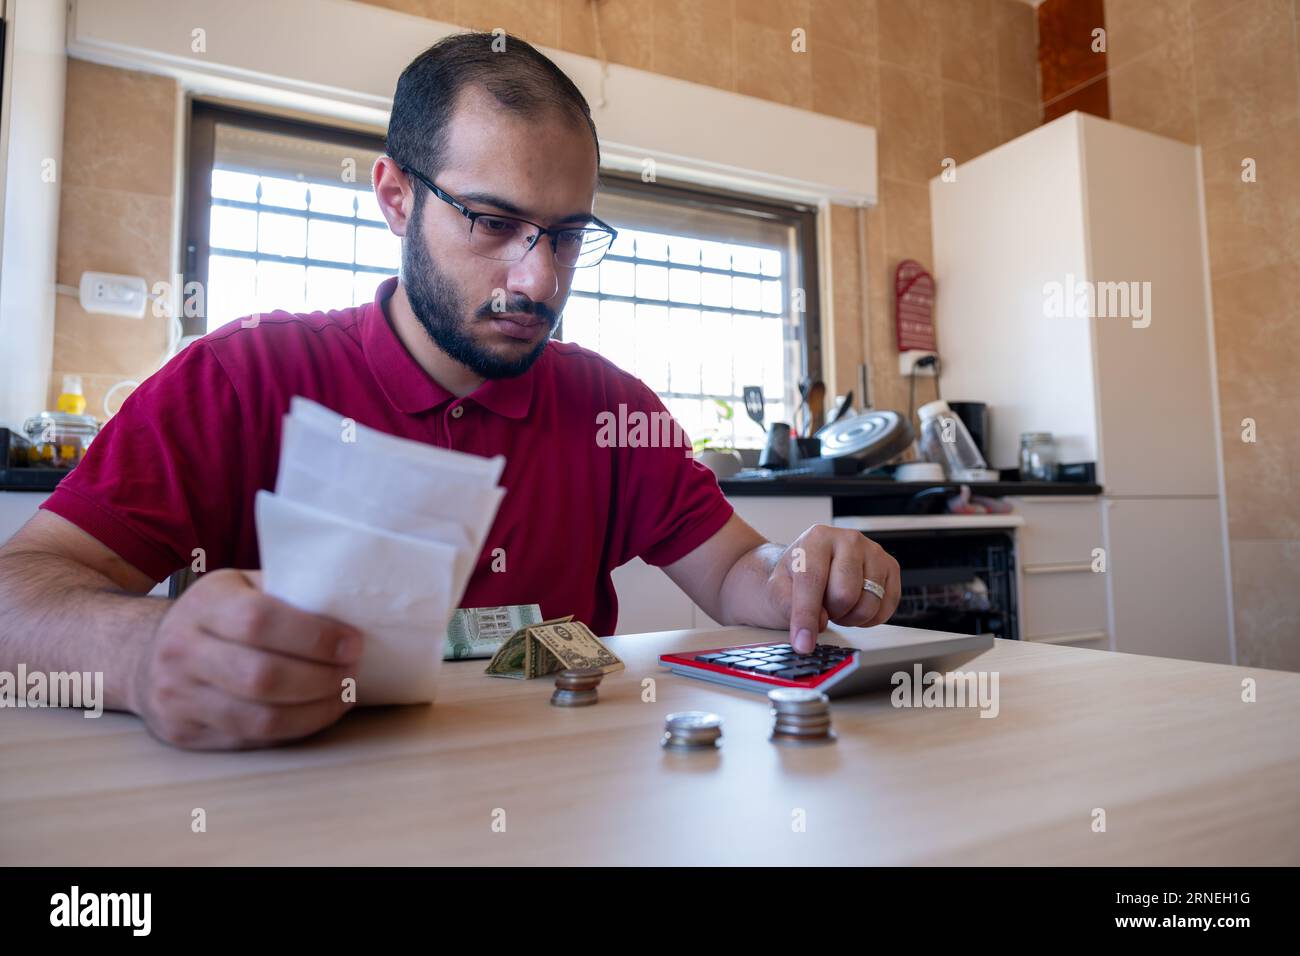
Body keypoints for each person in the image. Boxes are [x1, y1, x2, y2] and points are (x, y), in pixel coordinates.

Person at [0, 32, 899, 750]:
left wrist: (804, 575)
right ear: (395, 197)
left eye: (569, 236)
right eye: (495, 222)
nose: (539, 280)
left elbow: (737, 572)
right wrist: (142, 650)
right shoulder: (238, 379)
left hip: (562, 816)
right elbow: (16, 599)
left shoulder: (609, 408)